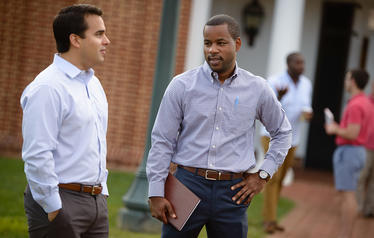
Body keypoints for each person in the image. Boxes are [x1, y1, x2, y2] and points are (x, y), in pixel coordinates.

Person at [146, 14, 292, 238]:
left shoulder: (257, 89)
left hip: (232, 193)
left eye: (221, 43)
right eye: (207, 43)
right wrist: (156, 191)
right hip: (187, 186)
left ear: (238, 44)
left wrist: (263, 175)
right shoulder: (182, 85)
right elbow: (162, 140)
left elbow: (282, 132)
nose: (212, 49)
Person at [21, 4, 110, 238]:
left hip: (96, 203)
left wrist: (102, 194)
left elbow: (97, 143)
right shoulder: (47, 87)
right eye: (99, 34)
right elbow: (37, 153)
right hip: (61, 202)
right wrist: (54, 207)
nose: (107, 41)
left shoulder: (94, 84)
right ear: (75, 40)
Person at [260, 52, 313, 233]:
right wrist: (280, 97)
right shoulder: (274, 81)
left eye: (302, 62)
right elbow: (266, 107)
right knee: (273, 178)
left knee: (281, 179)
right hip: (272, 136)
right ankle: (269, 220)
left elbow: (306, 106)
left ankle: (272, 218)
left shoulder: (306, 84)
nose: (301, 66)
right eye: (297, 63)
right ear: (288, 64)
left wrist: (308, 114)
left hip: (293, 138)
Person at [325, 69, 371, 238]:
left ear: (353, 81)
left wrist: (334, 128)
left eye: (347, 78)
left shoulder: (355, 105)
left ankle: (345, 234)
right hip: (358, 151)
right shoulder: (365, 102)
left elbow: (352, 133)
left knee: (348, 195)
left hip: (350, 151)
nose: (345, 82)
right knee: (347, 194)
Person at [357, 80, 374, 217]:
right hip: (366, 147)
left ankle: (370, 209)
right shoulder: (365, 103)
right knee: (361, 177)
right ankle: (357, 207)